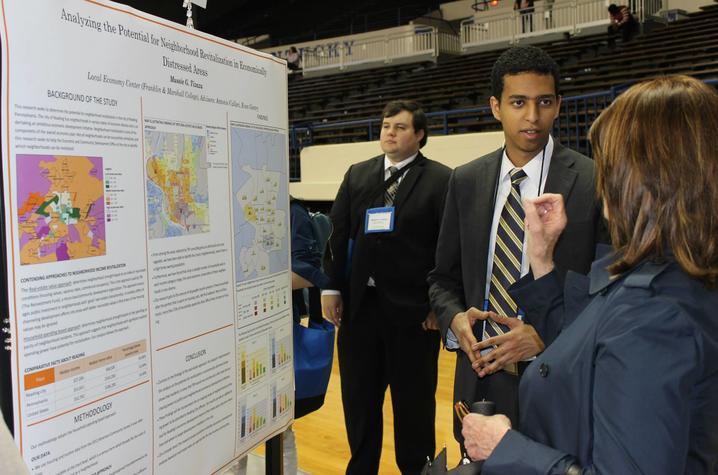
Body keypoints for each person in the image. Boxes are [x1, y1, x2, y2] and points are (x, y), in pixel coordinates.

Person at [461, 74, 718, 473]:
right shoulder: (672, 275)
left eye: (612, 167)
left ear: (648, 180)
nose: (604, 185)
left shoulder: (654, 315)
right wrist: (543, 259)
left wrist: (505, 449)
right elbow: (588, 345)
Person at [427, 45, 605, 445]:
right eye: (518, 102)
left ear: (558, 105)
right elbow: (442, 278)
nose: (532, 116)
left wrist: (547, 334)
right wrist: (456, 321)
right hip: (481, 377)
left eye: (544, 102)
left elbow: (606, 289)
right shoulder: (466, 180)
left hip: (558, 376)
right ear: (496, 107)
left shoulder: (594, 180)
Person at [321, 100, 451, 474]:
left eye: (400, 127)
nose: (389, 133)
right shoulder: (358, 174)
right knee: (359, 402)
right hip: (360, 309)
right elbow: (337, 233)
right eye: (385, 126)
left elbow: (447, 247)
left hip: (413, 316)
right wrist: (331, 288)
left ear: (420, 135)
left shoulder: (441, 179)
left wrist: (437, 306)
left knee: (413, 407)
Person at [225, 198, 329, 475]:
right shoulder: (230, 207)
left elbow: (309, 274)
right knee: (234, 429)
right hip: (231, 333)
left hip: (272, 331)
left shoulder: (289, 210)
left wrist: (249, 284)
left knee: (279, 425)